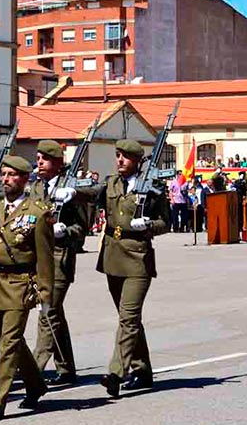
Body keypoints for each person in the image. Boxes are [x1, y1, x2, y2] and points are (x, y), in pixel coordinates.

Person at [0, 155, 54, 421]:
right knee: (13, 343)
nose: (5, 180)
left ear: (25, 179)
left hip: (21, 284)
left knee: (8, 343)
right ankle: (36, 385)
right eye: (3, 175)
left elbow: (45, 258)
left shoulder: (37, 213)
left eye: (12, 175)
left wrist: (46, 295)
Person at [96, 139, 170, 398]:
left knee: (128, 318)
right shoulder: (111, 183)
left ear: (138, 160)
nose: (120, 161)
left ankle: (116, 372)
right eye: (117, 155)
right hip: (112, 256)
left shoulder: (153, 188)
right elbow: (91, 197)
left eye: (125, 157)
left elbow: (166, 222)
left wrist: (149, 224)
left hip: (138, 257)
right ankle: (142, 370)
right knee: (130, 319)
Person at [29, 139, 85, 386]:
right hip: (39, 260)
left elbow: (81, 228)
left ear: (57, 163)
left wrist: (66, 232)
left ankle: (34, 368)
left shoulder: (69, 190)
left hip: (60, 259)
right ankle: (66, 368)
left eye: (45, 158)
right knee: (55, 315)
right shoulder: (37, 189)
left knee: (47, 311)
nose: (39, 162)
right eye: (38, 158)